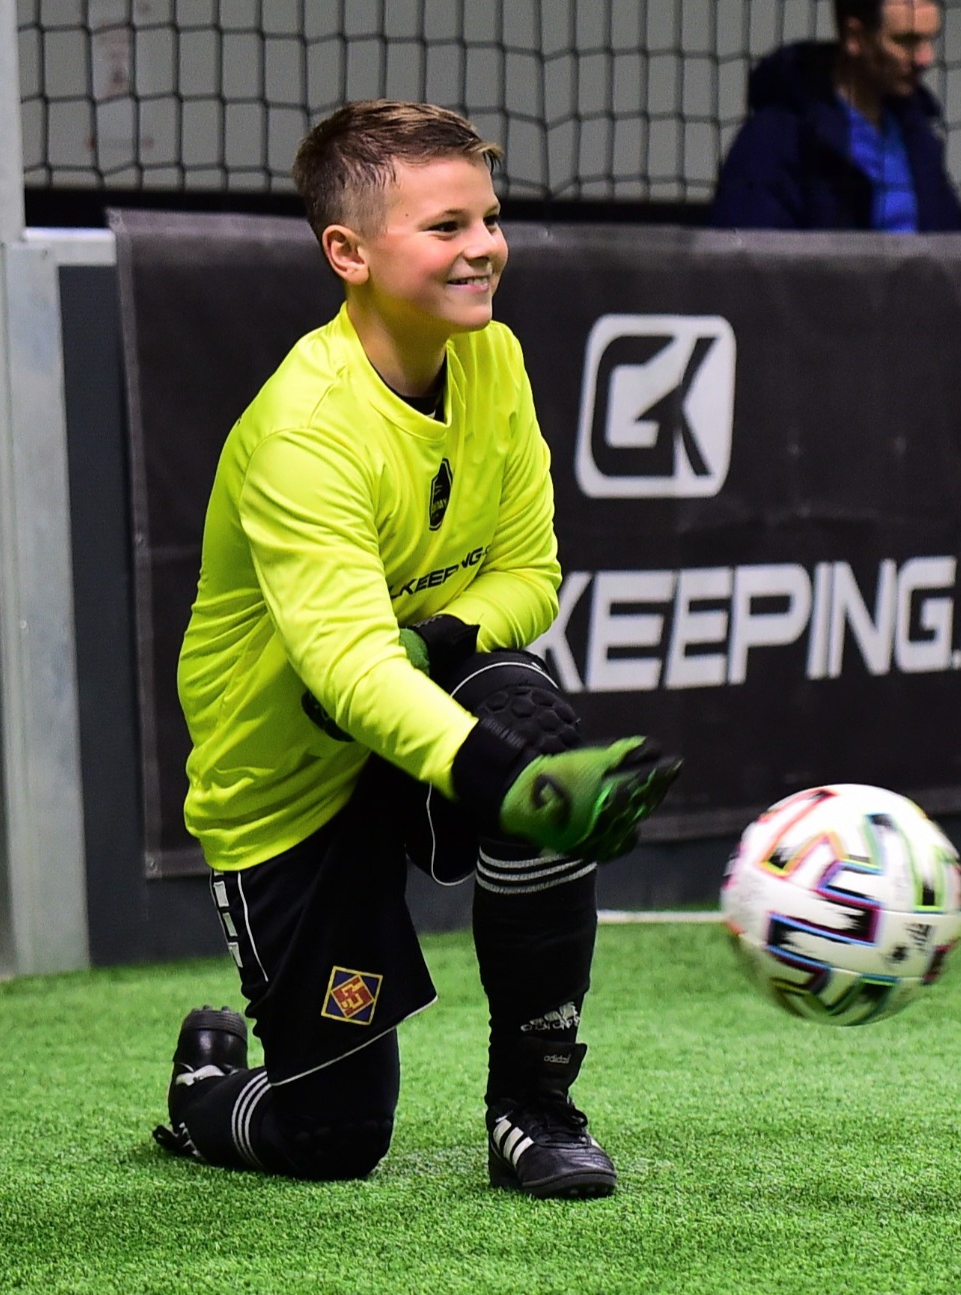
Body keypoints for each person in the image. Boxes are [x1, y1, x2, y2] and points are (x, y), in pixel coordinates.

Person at [150, 100, 681, 1198]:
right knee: (332, 1137)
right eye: (446, 226)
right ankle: (209, 1086)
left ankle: (532, 1108)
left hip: (413, 713)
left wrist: (438, 639)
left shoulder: (497, 361)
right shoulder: (303, 428)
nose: (484, 245)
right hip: (287, 780)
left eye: (490, 216)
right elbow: (347, 672)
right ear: (347, 251)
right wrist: (513, 781)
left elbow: (531, 574)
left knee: (528, 711)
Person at [710, 0, 961, 233]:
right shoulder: (774, 139)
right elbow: (748, 266)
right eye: (905, 41)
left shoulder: (918, 139)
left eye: (929, 39)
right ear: (856, 37)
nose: (925, 58)